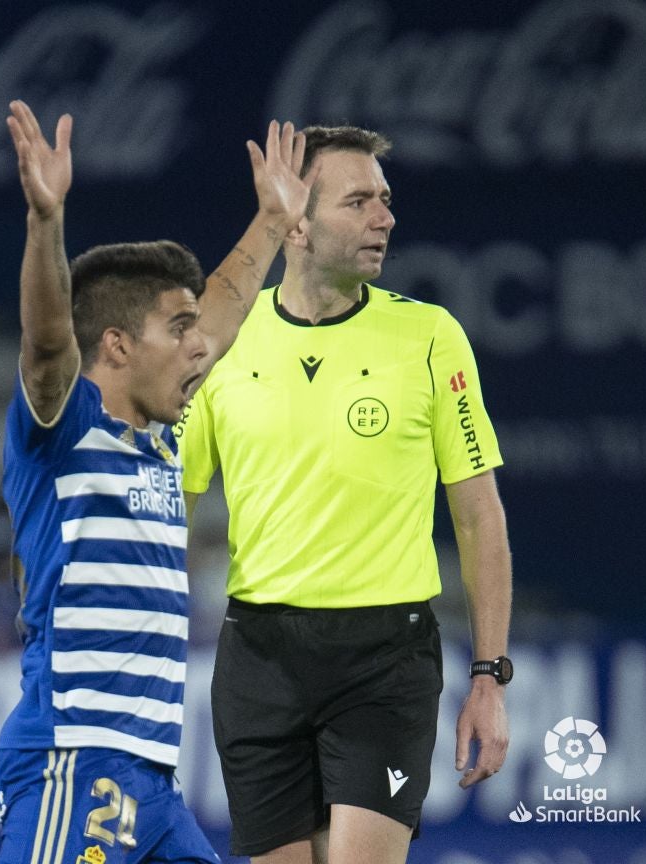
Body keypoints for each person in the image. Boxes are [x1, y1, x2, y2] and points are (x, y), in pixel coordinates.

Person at [177, 125, 513, 864]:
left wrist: (489, 676)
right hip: (258, 657)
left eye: (385, 200)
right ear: (294, 220)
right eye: (359, 201)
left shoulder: (430, 336)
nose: (385, 218)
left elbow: (479, 513)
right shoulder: (225, 345)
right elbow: (176, 505)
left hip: (384, 660)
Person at [0, 100, 317, 864]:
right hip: (75, 761)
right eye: (176, 330)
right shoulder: (65, 430)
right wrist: (46, 221)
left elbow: (226, 312)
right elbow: (44, 344)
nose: (197, 347)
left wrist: (273, 218)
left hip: (152, 782)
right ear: (115, 346)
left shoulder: (164, 436)